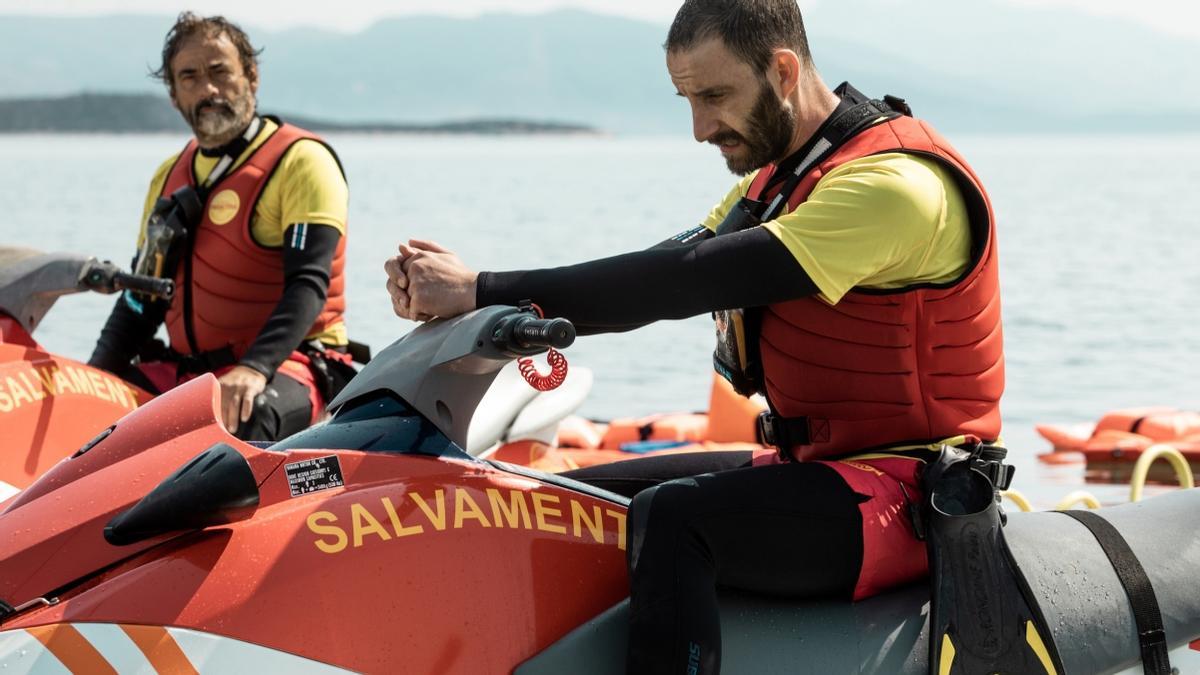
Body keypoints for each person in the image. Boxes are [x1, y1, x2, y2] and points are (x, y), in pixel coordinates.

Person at [384, 0, 1004, 672]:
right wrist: (483, 313)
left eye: (714, 95)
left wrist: (481, 285)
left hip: (909, 498)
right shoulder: (775, 182)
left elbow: (686, 278)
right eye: (686, 99)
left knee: (678, 518)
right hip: (808, 472)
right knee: (567, 500)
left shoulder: (892, 186)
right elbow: (670, 255)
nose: (700, 127)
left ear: (784, 70)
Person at [90, 12, 353, 442]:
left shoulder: (302, 162)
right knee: (88, 410)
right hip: (190, 373)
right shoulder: (168, 176)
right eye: (189, 77)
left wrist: (254, 368)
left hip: (291, 364)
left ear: (251, 76)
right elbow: (142, 298)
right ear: (174, 95)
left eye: (220, 72)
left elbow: (308, 284)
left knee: (245, 416)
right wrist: (90, 377)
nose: (208, 89)